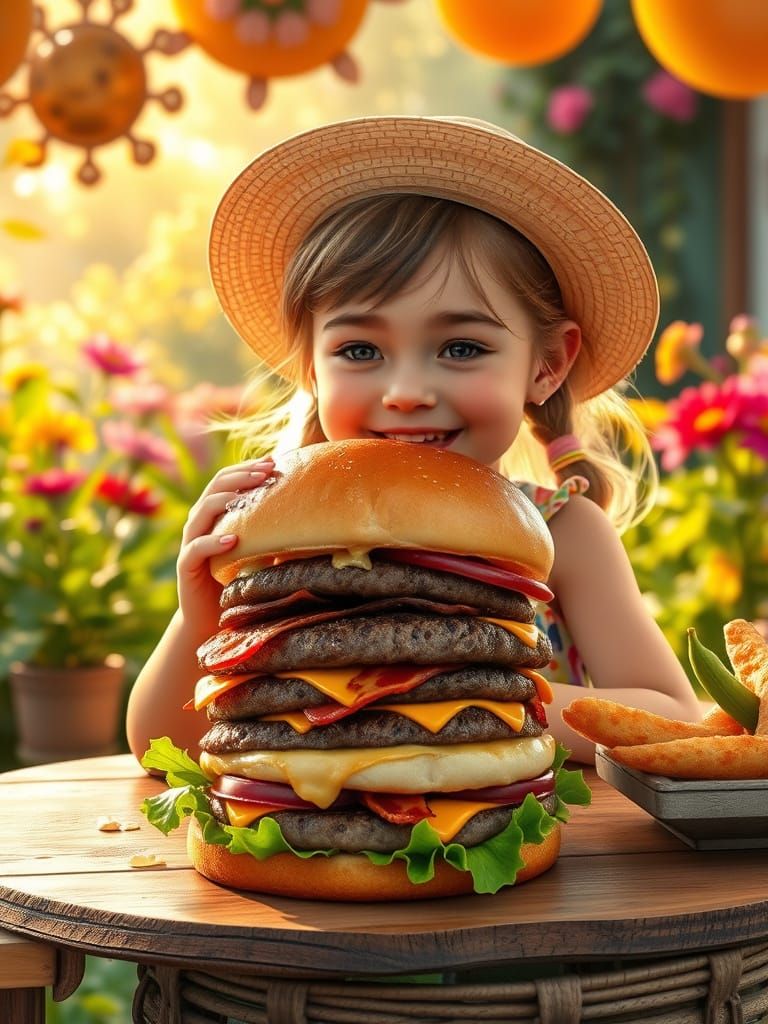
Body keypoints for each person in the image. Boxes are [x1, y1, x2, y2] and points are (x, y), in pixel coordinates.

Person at [126, 115, 702, 767]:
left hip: (523, 848)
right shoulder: (284, 544)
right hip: (318, 839)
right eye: (360, 349)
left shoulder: (564, 533)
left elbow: (674, 718)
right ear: (313, 369)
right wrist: (198, 613)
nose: (405, 391)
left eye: (461, 347)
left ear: (546, 365)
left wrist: (461, 691)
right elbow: (159, 746)